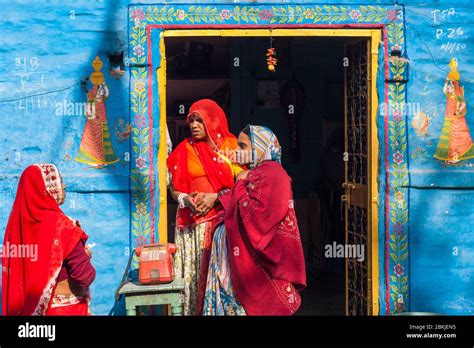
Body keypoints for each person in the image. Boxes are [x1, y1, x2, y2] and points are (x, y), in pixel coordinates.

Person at [203, 125, 306, 315]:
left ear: (260, 147)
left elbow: (258, 219)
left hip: (254, 264)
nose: (237, 151)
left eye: (243, 146)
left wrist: (240, 183)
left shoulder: (274, 175)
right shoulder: (256, 173)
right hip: (232, 261)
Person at [167, 99, 243, 315]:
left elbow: (242, 185)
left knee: (220, 279)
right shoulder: (185, 149)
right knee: (192, 279)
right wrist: (184, 199)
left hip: (219, 226)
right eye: (191, 121)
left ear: (214, 120)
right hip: (189, 228)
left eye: (199, 120)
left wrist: (215, 198)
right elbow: (174, 189)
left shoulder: (231, 148)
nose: (194, 125)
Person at [2, 164, 95, 315]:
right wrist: (85, 256)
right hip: (65, 310)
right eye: (59, 181)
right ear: (48, 188)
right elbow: (85, 276)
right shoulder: (63, 227)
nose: (64, 186)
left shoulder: (16, 231)